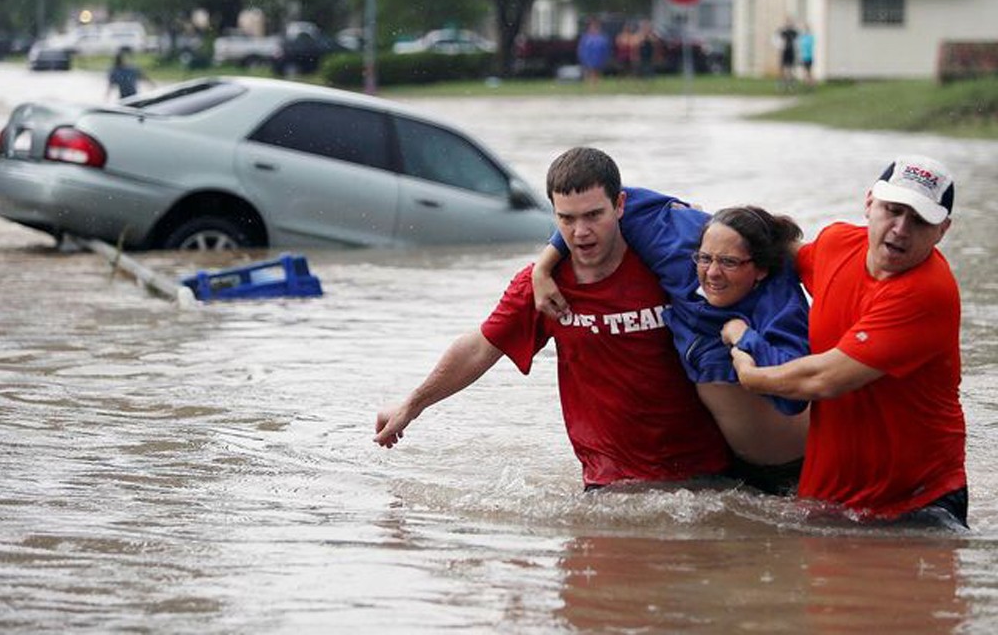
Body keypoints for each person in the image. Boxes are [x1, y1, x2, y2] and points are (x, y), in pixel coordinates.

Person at [374, 147, 732, 490]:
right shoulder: (541, 286)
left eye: (594, 215)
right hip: (610, 483)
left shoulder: (675, 266)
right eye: (567, 218)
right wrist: (412, 404)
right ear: (554, 215)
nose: (581, 232)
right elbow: (480, 348)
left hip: (710, 474)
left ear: (620, 205)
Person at [730, 155, 968, 528]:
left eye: (919, 220)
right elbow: (778, 251)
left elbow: (823, 380)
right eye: (893, 210)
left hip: (916, 507)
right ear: (870, 203)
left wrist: (750, 372)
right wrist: (705, 227)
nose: (901, 229)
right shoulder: (837, 244)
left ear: (942, 231)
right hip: (827, 501)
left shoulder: (927, 293)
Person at [533, 193, 811, 495]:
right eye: (705, 259)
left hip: (796, 467)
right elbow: (604, 200)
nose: (713, 273)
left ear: (760, 270)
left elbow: (793, 396)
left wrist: (743, 337)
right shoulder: (683, 254)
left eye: (730, 263)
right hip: (729, 464)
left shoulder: (779, 304)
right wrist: (544, 265)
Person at [577, 19, 611, 85]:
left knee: (595, 71)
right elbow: (582, 48)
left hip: (598, 58)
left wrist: (605, 58)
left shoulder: (602, 38)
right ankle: (588, 83)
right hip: (588, 57)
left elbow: (605, 49)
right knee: (588, 70)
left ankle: (594, 83)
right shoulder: (586, 38)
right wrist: (583, 57)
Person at [777, 19, 798, 89]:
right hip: (785, 51)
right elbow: (779, 38)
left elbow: (797, 39)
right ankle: (784, 82)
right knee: (783, 68)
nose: (788, 24)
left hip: (791, 52)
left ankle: (791, 82)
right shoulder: (784, 32)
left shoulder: (794, 32)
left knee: (790, 68)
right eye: (787, 22)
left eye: (790, 22)